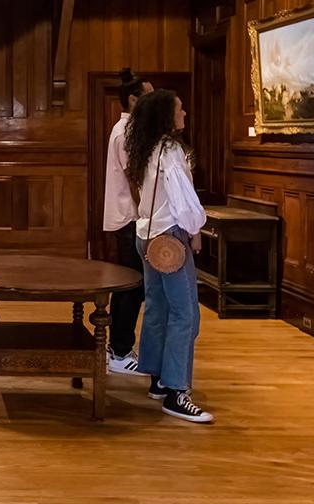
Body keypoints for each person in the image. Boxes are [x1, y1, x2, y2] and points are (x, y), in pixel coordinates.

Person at [124, 88, 213, 424]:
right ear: (166, 115)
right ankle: (176, 392)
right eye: (180, 109)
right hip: (169, 238)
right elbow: (184, 201)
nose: (184, 114)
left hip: (145, 235)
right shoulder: (172, 151)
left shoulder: (144, 149)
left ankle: (158, 378)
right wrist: (195, 230)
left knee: (157, 306)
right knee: (185, 312)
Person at [103, 67, 152, 374]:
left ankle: (118, 347)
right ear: (133, 100)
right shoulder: (127, 133)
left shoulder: (130, 130)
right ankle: (119, 351)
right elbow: (135, 180)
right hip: (129, 219)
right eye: (148, 96)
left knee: (132, 286)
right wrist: (146, 217)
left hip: (130, 218)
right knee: (131, 286)